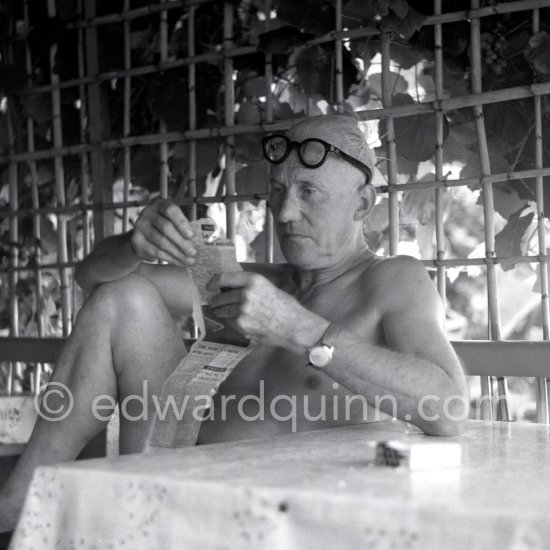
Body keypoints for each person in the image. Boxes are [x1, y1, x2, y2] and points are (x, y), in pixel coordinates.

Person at [0, 114, 467, 531]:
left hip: (280, 520)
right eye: (279, 191)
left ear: (363, 204)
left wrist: (299, 328)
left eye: (309, 192)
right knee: (122, 297)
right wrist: (132, 245)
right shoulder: (257, 282)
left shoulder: (391, 279)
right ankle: (18, 502)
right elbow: (92, 280)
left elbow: (447, 409)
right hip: (174, 477)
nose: (284, 213)